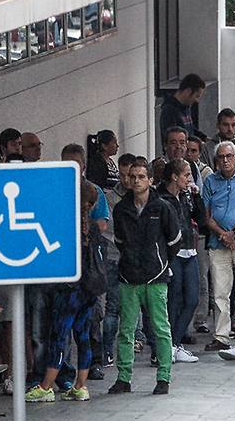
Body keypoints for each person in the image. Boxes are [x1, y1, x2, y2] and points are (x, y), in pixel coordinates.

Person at [28, 181, 108, 402]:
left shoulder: (66, 225)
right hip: (89, 289)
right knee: (83, 336)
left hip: (70, 289)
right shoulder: (92, 227)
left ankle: (45, 386)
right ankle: (80, 386)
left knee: (59, 336)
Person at [111, 157, 182, 395]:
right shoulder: (121, 209)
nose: (137, 181)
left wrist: (160, 263)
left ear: (151, 180)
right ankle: (123, 377)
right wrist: (130, 260)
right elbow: (119, 240)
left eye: (142, 176)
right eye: (133, 177)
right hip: (129, 277)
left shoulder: (162, 207)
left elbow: (174, 240)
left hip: (155, 278)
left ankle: (164, 377)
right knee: (126, 330)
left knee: (161, 328)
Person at [200, 141, 235, 361]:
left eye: (229, 156)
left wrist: (234, 232)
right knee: (220, 291)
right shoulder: (210, 181)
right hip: (219, 243)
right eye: (221, 157)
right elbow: (207, 215)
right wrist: (224, 235)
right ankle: (222, 335)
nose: (225, 160)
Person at [157, 158, 203, 363]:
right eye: (186, 175)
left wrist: (197, 197)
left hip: (190, 250)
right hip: (172, 253)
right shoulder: (161, 198)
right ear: (174, 176)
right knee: (173, 299)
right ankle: (166, 346)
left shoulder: (186, 196)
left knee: (192, 298)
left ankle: (174, 343)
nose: (189, 179)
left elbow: (200, 219)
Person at [158, 73, 204, 150]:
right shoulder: (169, 110)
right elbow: (172, 137)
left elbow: (191, 129)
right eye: (196, 96)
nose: (197, 100)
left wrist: (204, 138)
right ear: (188, 91)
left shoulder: (187, 107)